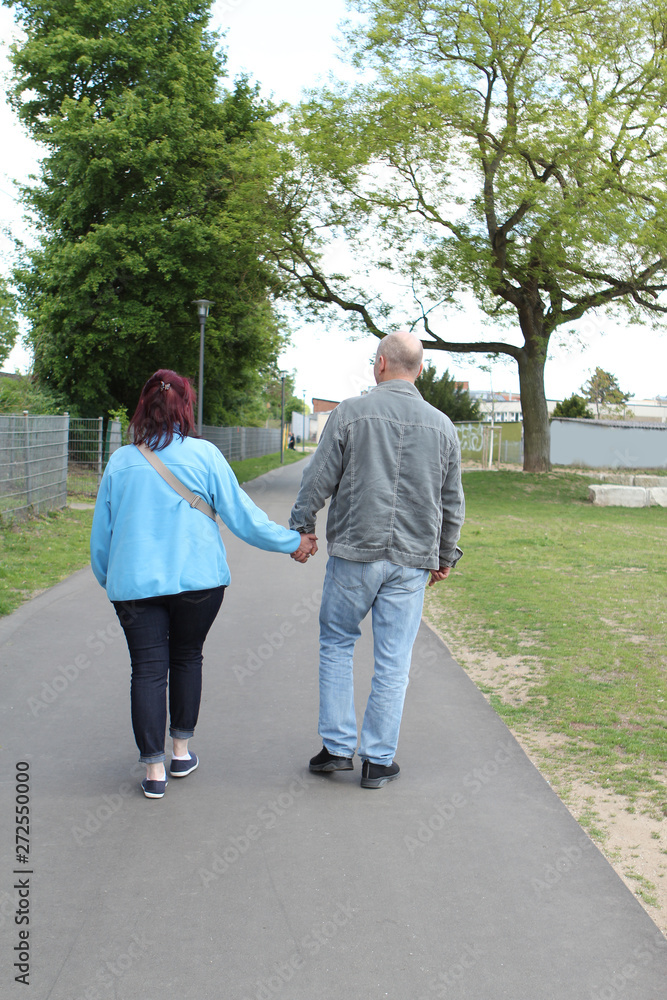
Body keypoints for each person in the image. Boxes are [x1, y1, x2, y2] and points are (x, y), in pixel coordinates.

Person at [90, 369, 317, 799]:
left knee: (148, 669)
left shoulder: (120, 462)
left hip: (134, 587)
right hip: (199, 583)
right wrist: (294, 541)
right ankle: (180, 752)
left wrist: (110, 580)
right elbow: (244, 519)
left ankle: (153, 773)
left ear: (144, 407)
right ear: (186, 408)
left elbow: (102, 536)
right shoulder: (206, 455)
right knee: (188, 656)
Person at [289, 332, 464, 788]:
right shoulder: (443, 426)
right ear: (420, 369)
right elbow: (452, 500)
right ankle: (379, 759)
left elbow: (319, 475)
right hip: (410, 560)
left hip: (354, 551)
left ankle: (337, 747)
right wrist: (445, 555)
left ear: (380, 364)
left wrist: (303, 524)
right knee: (393, 660)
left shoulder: (350, 412)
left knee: (337, 643)